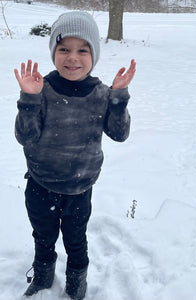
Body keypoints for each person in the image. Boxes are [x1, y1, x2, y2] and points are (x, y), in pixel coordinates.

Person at [14, 11, 136, 300]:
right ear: (54, 52)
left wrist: (118, 99)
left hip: (79, 189)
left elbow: (119, 134)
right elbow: (25, 136)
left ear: (94, 54)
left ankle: (76, 284)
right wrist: (29, 100)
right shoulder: (40, 89)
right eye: (64, 49)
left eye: (83, 50)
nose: (73, 57)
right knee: (43, 238)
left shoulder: (101, 93)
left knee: (76, 241)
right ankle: (43, 277)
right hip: (40, 184)